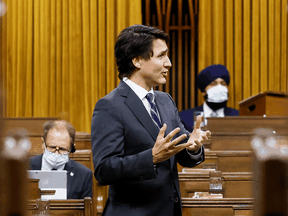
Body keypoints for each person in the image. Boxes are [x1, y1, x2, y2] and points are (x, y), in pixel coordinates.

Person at [91, 25, 210, 216]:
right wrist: (151, 158)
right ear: (137, 60)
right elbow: (104, 170)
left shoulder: (165, 100)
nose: (169, 63)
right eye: (161, 56)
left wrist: (192, 147)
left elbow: (180, 154)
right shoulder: (110, 106)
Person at [30, 120, 92, 199]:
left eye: (62, 149)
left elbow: (86, 209)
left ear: (71, 148)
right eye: (52, 147)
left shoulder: (84, 175)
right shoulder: (25, 168)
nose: (56, 154)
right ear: (43, 143)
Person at [179, 64, 239, 132]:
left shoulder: (238, 117)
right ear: (203, 91)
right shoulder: (185, 118)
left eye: (223, 84)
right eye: (213, 84)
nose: (219, 88)